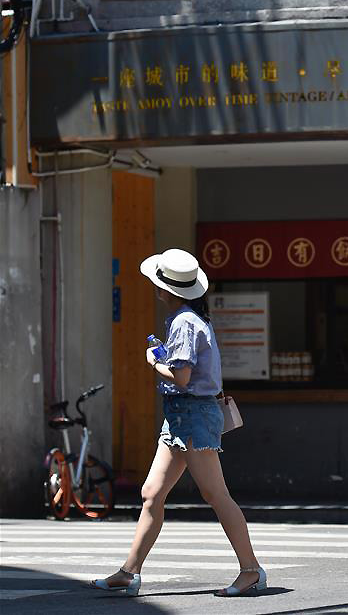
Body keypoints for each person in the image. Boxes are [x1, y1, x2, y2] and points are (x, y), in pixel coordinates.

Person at [90, 249, 266, 598]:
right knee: (152, 494)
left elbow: (182, 377)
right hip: (183, 416)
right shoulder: (191, 318)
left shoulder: (184, 321)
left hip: (192, 416)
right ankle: (129, 572)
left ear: (164, 289)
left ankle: (251, 570)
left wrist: (153, 362)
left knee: (215, 494)